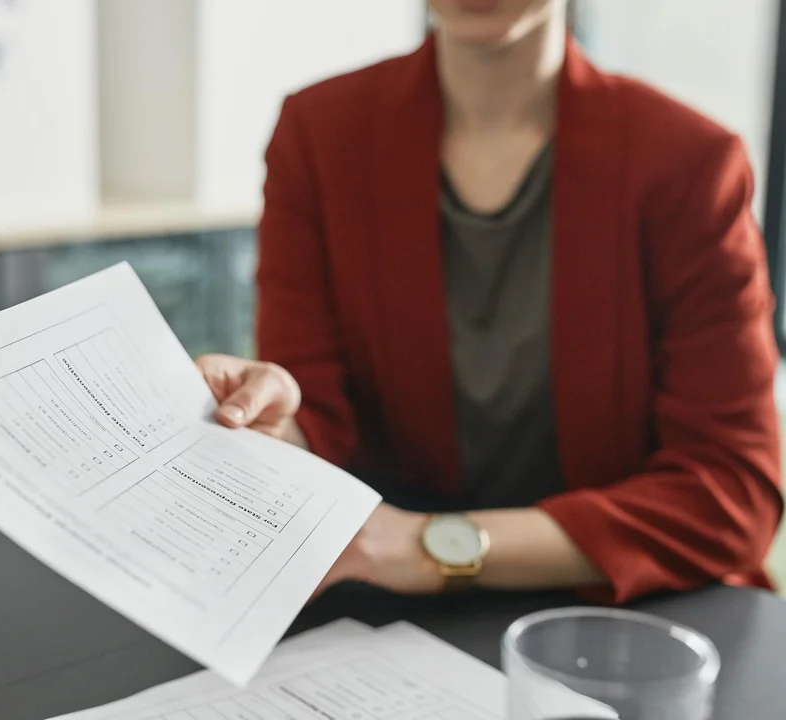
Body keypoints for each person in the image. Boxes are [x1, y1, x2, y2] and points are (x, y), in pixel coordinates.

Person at [196, 0, 784, 604]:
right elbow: (319, 415)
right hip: (380, 601)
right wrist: (274, 425)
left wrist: (432, 545)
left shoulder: (690, 161)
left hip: (619, 604)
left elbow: (732, 491)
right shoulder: (320, 133)